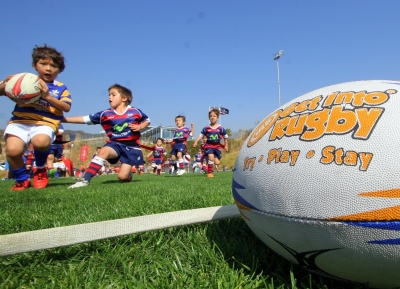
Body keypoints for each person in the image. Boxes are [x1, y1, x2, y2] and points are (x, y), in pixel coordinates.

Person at [0, 44, 71, 190]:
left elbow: (66, 107)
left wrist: (47, 97)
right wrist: (7, 84)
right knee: (12, 150)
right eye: (43, 64)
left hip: (46, 122)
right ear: (34, 65)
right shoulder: (23, 81)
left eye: (53, 66)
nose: (48, 68)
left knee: (41, 141)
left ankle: (39, 169)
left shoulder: (60, 87)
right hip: (20, 121)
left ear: (59, 70)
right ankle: (21, 179)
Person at [64, 84, 150, 188]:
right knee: (103, 151)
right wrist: (63, 119)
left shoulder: (135, 111)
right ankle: (85, 180)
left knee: (122, 177)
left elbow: (147, 120)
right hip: (115, 144)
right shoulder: (105, 114)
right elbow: (84, 119)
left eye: (113, 95)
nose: (109, 97)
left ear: (124, 98)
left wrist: (140, 126)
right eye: (109, 95)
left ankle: (128, 175)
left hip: (132, 147)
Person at [193, 108, 229, 178]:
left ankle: (215, 156)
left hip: (217, 146)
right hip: (209, 145)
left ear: (217, 117)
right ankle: (210, 173)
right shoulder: (206, 128)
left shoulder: (220, 128)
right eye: (211, 116)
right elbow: (201, 135)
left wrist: (226, 146)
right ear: (209, 117)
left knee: (217, 162)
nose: (212, 117)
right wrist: (196, 141)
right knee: (211, 158)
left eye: (214, 116)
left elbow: (225, 137)